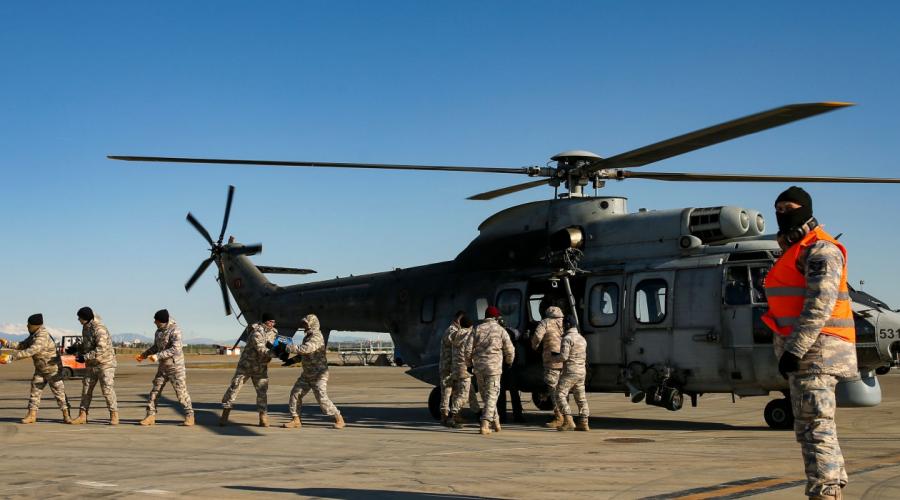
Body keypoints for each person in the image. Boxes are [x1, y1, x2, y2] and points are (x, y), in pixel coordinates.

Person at [762, 186, 857, 500]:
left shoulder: (820, 250)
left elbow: (820, 303)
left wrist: (795, 349)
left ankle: (825, 493)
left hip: (818, 353)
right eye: (778, 209)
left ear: (806, 210)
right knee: (813, 427)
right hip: (809, 354)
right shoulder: (796, 250)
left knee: (815, 427)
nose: (782, 214)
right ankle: (830, 489)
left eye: (789, 209)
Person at [0, 314, 71, 424]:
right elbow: (23, 345)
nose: (27, 326)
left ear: (35, 325)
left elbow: (31, 350)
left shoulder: (42, 336)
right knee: (35, 392)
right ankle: (31, 415)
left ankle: (66, 415)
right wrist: (7, 343)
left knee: (59, 393)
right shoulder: (34, 335)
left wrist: (11, 357)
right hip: (40, 369)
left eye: (29, 324)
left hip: (52, 370)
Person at [279, 314, 345, 429]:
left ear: (312, 324)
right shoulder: (307, 337)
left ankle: (339, 419)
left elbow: (306, 349)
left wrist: (287, 347)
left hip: (319, 373)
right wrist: (292, 361)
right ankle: (296, 420)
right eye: (304, 323)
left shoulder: (316, 336)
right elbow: (304, 355)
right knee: (295, 394)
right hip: (307, 374)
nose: (304, 326)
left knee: (321, 397)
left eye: (306, 323)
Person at [136, 309, 194, 426]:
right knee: (155, 391)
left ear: (161, 321)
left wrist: (157, 356)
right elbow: (156, 347)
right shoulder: (158, 331)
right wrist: (144, 355)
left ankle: (190, 416)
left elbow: (175, 349)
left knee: (181, 393)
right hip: (163, 367)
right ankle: (150, 416)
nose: (154, 322)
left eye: (156, 320)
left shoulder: (175, 330)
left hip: (175, 367)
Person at [464, 306, 514, 435]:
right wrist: (509, 362)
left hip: (479, 368)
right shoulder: (501, 330)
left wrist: (469, 364)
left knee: (487, 397)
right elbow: (510, 349)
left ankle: (496, 422)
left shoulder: (477, 329)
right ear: (496, 317)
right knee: (492, 396)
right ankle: (485, 423)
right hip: (493, 368)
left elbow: (467, 349)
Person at [220, 313, 277, 427]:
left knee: (262, 392)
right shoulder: (257, 332)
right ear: (265, 321)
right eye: (271, 321)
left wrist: (281, 349)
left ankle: (263, 416)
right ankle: (225, 413)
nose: (272, 324)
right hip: (246, 366)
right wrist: (276, 354)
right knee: (234, 388)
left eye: (274, 322)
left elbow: (273, 345)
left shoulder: (274, 332)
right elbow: (261, 349)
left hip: (260, 367)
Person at [71, 307, 118, 425]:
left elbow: (101, 348)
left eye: (80, 317)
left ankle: (114, 414)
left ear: (86, 318)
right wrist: (76, 348)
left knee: (107, 389)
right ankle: (82, 415)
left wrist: (85, 357)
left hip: (105, 363)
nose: (78, 319)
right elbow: (87, 344)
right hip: (92, 364)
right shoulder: (85, 327)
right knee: (86, 389)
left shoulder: (99, 329)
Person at [552, 316, 589, 431]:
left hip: (570, 371)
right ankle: (584, 422)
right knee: (580, 397)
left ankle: (568, 420)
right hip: (581, 371)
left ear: (567, 325)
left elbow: (564, 357)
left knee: (559, 394)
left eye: (564, 324)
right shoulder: (582, 339)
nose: (562, 326)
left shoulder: (567, 338)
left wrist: (553, 358)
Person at [530, 305, 565, 427]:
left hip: (552, 360)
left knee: (553, 388)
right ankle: (566, 415)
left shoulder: (545, 323)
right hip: (565, 359)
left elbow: (537, 336)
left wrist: (534, 346)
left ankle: (559, 416)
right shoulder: (564, 322)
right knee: (562, 389)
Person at [446, 314, 479, 428]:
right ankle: (452, 416)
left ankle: (478, 413)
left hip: (456, 369)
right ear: (470, 325)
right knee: (463, 396)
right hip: (464, 369)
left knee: (470, 393)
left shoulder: (455, 334)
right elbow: (471, 351)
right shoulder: (469, 335)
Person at [438, 311, 465, 425]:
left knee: (456, 390)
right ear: (457, 319)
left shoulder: (456, 330)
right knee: (447, 391)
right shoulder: (451, 330)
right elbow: (455, 340)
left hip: (453, 366)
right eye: (461, 320)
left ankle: (455, 415)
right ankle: (444, 415)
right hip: (447, 366)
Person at [497, 317, 525, 424]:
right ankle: (518, 416)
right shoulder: (512, 332)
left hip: (501, 365)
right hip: (511, 366)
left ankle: (502, 417)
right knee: (514, 392)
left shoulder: (498, 333)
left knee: (501, 393)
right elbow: (518, 337)